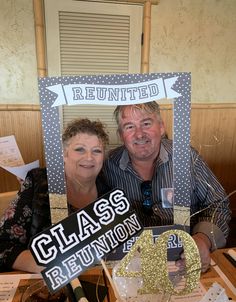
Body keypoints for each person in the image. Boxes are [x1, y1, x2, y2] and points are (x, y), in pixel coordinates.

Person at [102, 101, 231, 273]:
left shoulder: (186, 157)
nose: (139, 134)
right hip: (131, 266)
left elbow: (218, 204)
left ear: (161, 127)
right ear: (120, 134)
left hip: (185, 261)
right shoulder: (108, 165)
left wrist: (203, 239)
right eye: (129, 126)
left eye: (146, 123)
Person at [0, 118, 109, 273]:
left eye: (97, 151)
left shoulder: (108, 191)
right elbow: (3, 245)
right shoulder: (39, 182)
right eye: (80, 149)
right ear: (64, 154)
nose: (89, 157)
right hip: (42, 286)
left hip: (96, 282)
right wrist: (52, 269)